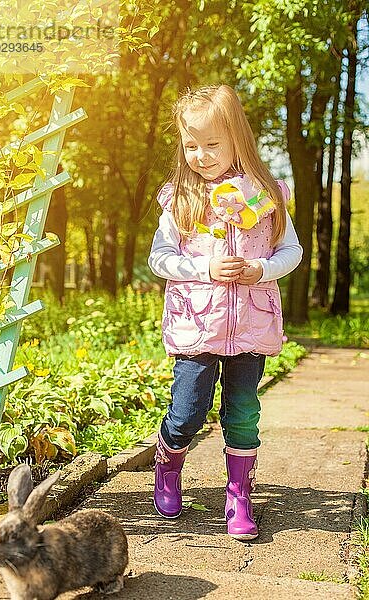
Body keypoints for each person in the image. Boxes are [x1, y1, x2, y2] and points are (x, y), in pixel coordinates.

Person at [148, 84, 302, 541]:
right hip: (198, 325)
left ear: (237, 138)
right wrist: (204, 267)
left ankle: (238, 494)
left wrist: (261, 268)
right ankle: (168, 463)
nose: (201, 154)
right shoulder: (182, 199)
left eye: (212, 143)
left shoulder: (266, 196)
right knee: (188, 410)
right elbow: (160, 258)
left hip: (250, 324)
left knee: (242, 412)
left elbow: (290, 250)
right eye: (191, 144)